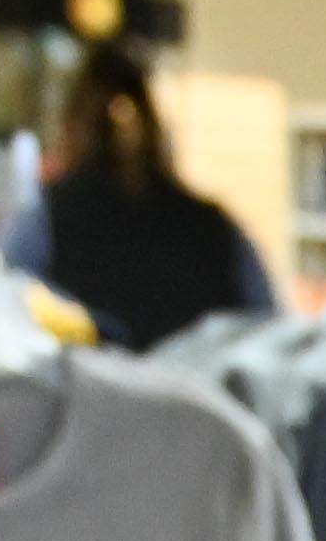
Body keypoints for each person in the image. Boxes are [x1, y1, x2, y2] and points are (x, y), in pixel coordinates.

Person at [25, 37, 271, 350]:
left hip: (91, 394)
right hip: (194, 392)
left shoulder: (45, 220)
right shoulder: (213, 225)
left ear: (73, 127)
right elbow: (266, 328)